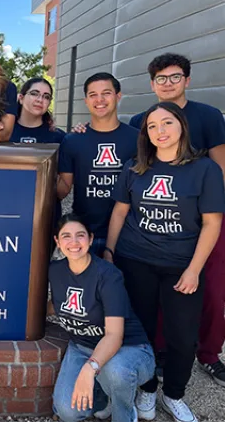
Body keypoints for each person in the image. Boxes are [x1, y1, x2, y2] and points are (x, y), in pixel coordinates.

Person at [106, 102, 225, 422]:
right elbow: (120, 212)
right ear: (145, 133)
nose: (160, 131)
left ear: (182, 127)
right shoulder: (134, 167)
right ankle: (146, 390)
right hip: (136, 260)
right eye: (152, 126)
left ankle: (174, 394)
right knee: (141, 331)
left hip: (181, 265)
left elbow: (212, 222)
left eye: (167, 123)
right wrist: (110, 254)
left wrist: (194, 269)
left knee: (182, 336)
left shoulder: (205, 169)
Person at [129, 53, 225, 387]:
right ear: (151, 84)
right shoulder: (141, 120)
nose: (167, 83)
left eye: (175, 76)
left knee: (210, 288)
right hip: (160, 221)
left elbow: (221, 166)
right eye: (160, 78)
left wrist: (211, 213)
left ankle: (210, 354)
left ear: (187, 79)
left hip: (204, 217)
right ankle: (160, 352)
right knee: (158, 289)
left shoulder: (208, 116)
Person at [49, 214, 154, 422]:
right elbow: (58, 305)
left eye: (80, 235)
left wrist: (90, 368)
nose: (74, 242)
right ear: (57, 242)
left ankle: (123, 413)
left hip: (129, 349)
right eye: (66, 236)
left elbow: (115, 335)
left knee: (116, 372)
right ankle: (103, 397)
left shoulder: (108, 275)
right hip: (82, 347)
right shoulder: (55, 271)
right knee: (68, 412)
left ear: (90, 238)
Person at [57, 73, 138, 255]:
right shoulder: (72, 140)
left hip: (128, 234)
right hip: (85, 234)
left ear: (118, 96)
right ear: (86, 100)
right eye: (93, 95)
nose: (99, 100)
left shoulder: (137, 139)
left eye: (106, 93)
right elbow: (62, 190)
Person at [10, 77, 65, 144]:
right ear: (21, 98)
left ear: (49, 103)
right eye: (34, 94)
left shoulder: (59, 138)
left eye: (46, 97)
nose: (40, 100)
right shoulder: (4, 132)